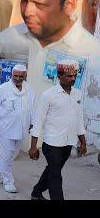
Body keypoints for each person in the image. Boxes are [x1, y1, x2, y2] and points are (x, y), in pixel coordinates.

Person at [0, 0, 100, 107]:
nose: (28, 11)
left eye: (40, 4)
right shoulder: (9, 39)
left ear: (69, 5)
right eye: (24, 1)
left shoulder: (90, 53)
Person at [29, 60, 86, 200]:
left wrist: (83, 142)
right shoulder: (48, 95)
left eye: (74, 76)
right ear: (59, 76)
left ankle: (36, 192)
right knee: (55, 176)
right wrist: (33, 147)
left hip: (68, 142)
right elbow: (38, 121)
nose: (73, 79)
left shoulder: (78, 94)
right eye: (69, 76)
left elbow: (79, 120)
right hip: (52, 143)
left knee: (52, 170)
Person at [0, 64, 34, 193]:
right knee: (7, 157)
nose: (17, 79)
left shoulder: (30, 90)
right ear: (11, 75)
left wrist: (33, 123)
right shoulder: (3, 89)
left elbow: (33, 109)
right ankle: (8, 181)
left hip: (22, 130)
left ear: (25, 76)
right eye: (15, 76)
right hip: (6, 129)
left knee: (11, 156)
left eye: (20, 77)